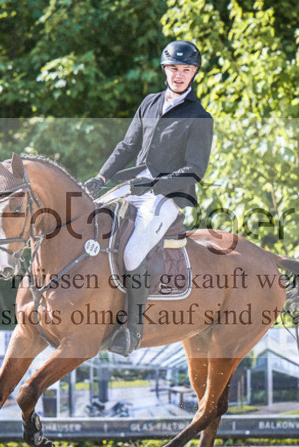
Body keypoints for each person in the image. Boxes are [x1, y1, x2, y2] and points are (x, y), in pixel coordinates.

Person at [83, 40, 214, 356]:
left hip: (169, 196)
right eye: (174, 69)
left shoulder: (200, 117)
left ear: (194, 72)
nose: (179, 75)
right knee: (90, 225)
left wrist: (155, 184)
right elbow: (127, 147)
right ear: (165, 70)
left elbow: (195, 169)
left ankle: (132, 331)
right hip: (134, 187)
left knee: (132, 253)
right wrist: (101, 177)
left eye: (186, 70)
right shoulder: (149, 103)